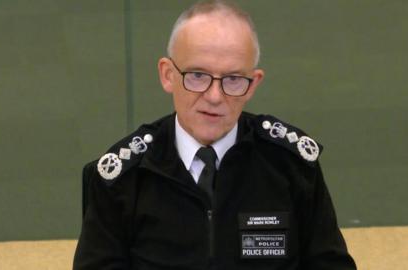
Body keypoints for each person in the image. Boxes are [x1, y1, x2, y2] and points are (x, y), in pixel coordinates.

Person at [73, 1, 357, 269]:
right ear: (167, 75)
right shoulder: (123, 181)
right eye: (197, 75)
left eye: (233, 79)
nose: (214, 96)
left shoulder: (290, 168)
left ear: (253, 84)